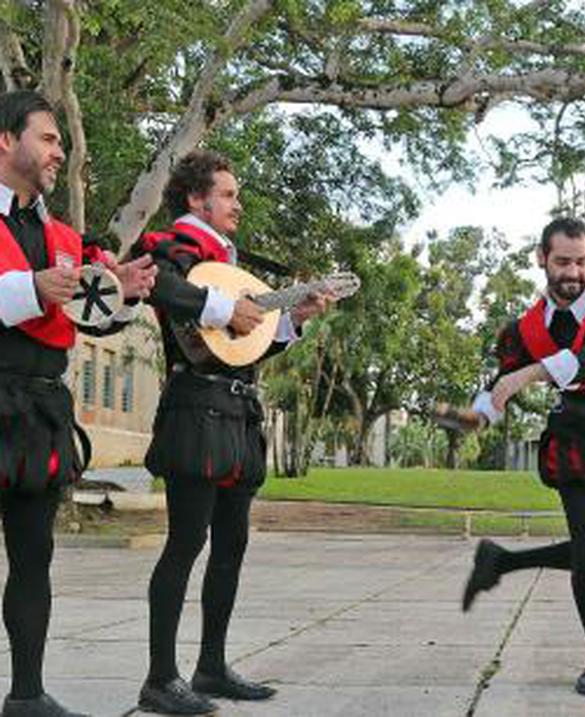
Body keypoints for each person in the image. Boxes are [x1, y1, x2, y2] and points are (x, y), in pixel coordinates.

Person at [131, 150, 334, 715]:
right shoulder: (173, 246)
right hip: (195, 407)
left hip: (237, 410)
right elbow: (160, 285)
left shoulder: (230, 264)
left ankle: (211, 665)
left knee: (232, 545)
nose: (237, 204)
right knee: (185, 542)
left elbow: (243, 347)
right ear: (196, 199)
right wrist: (224, 307)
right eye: (227, 194)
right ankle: (160, 677)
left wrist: (292, 318)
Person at [0, 90, 156, 717]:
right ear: (6, 141)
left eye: (61, 141)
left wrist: (125, 291)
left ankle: (27, 694)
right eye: (48, 137)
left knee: (33, 555)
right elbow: (26, 295)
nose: (59, 151)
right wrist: (29, 288)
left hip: (38, 411)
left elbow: (92, 316)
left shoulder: (67, 237)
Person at [460, 217, 585, 696]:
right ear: (542, 259)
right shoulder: (528, 329)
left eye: (580, 261)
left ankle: (500, 562)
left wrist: (528, 375)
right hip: (576, 439)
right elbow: (501, 382)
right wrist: (477, 414)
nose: (572, 272)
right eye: (562, 262)